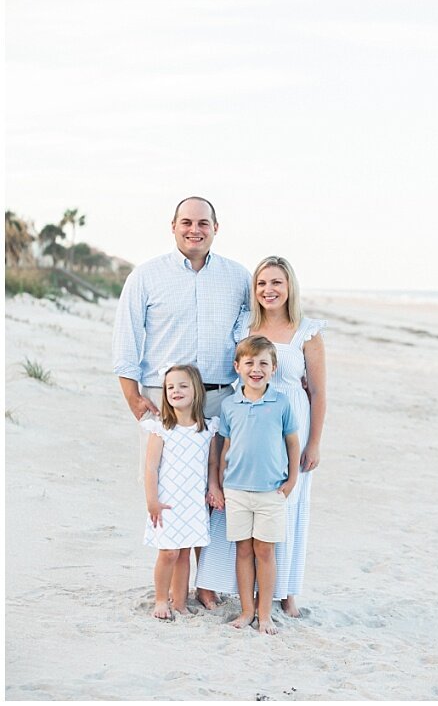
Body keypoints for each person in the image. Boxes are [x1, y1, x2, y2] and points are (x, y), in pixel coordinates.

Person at [112, 195, 249, 610]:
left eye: (203, 222)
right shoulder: (146, 276)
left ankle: (206, 583)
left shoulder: (238, 277)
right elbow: (127, 339)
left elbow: (254, 333)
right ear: (173, 226)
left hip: (221, 396)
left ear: (216, 228)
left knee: (216, 490)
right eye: (187, 222)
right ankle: (169, 585)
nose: (195, 229)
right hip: (164, 399)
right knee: (166, 485)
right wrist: (134, 398)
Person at [194, 257, 327, 618]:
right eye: (262, 283)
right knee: (236, 504)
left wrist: (314, 442)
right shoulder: (244, 325)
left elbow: (318, 392)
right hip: (247, 421)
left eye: (277, 283)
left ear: (290, 288)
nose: (269, 290)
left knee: (287, 504)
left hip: (290, 423)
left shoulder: (307, 332)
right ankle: (218, 583)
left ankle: (285, 592)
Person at [205, 335, 300, 635]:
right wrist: (219, 483)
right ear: (237, 367)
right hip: (236, 491)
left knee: (265, 551)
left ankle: (265, 613)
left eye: (263, 363)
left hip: (271, 491)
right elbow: (226, 447)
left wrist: (292, 481)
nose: (256, 369)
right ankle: (246, 611)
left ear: (273, 368)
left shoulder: (281, 403)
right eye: (249, 363)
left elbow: (293, 444)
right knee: (243, 551)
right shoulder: (231, 405)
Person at [141, 363, 218, 621]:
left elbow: (212, 464)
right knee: (169, 552)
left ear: (196, 390)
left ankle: (180, 601)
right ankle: (162, 598)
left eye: (183, 385)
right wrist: (152, 501)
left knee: (185, 552)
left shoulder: (207, 429)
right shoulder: (162, 428)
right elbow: (150, 468)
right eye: (170, 387)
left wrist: (214, 488)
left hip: (193, 502)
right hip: (167, 503)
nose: (176, 391)